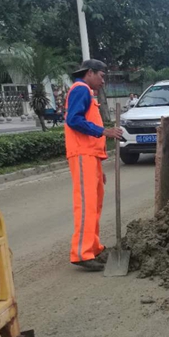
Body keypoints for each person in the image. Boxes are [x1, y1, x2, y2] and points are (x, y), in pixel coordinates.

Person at [65, 59, 123, 272]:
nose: (103, 81)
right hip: (82, 155)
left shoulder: (86, 92)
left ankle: (93, 247)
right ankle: (81, 253)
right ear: (89, 72)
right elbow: (74, 120)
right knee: (86, 205)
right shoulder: (80, 89)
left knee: (94, 203)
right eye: (101, 75)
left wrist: (98, 166)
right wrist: (104, 131)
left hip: (90, 157)